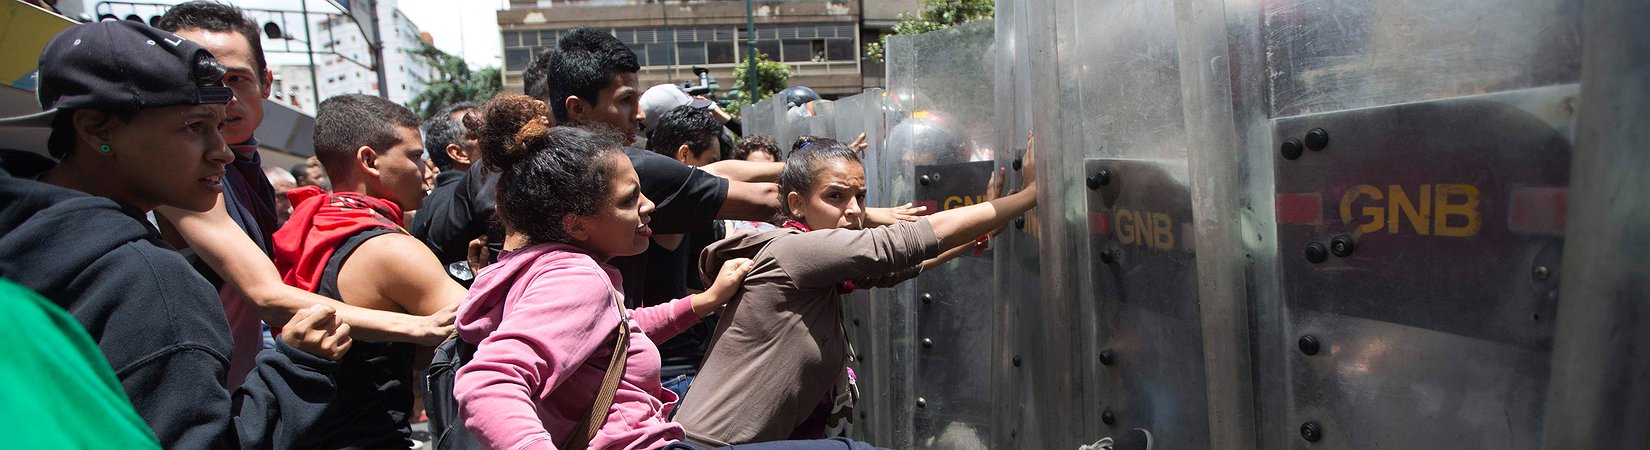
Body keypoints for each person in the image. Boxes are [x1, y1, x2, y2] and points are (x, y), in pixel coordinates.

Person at [452, 95, 877, 450]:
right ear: (575, 223)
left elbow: (617, 328)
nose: (649, 206)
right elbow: (489, 383)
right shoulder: (575, 278)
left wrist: (703, 303)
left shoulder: (535, 268)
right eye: (628, 200)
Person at [0, 20, 350, 448]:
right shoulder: (149, 283)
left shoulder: (22, 233)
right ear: (97, 129)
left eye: (219, 127)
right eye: (194, 127)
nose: (222, 152)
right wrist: (298, 366)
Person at [151, 1, 454, 390]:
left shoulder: (247, 170)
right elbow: (266, 295)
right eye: (203, 79)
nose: (222, 95)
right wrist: (418, 326)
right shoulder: (178, 173)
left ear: (266, 83)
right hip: (197, 394)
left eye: (236, 79)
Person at [675, 137, 1035, 445]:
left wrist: (983, 232)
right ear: (797, 204)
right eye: (835, 196)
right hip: (714, 444)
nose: (854, 211)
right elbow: (906, 242)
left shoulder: (815, 263)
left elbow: (901, 266)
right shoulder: (794, 251)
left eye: (860, 197)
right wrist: (1030, 196)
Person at [273, 94, 469, 448]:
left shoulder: (313, 226)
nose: (427, 171)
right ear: (369, 161)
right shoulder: (389, 248)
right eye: (414, 156)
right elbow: (479, 327)